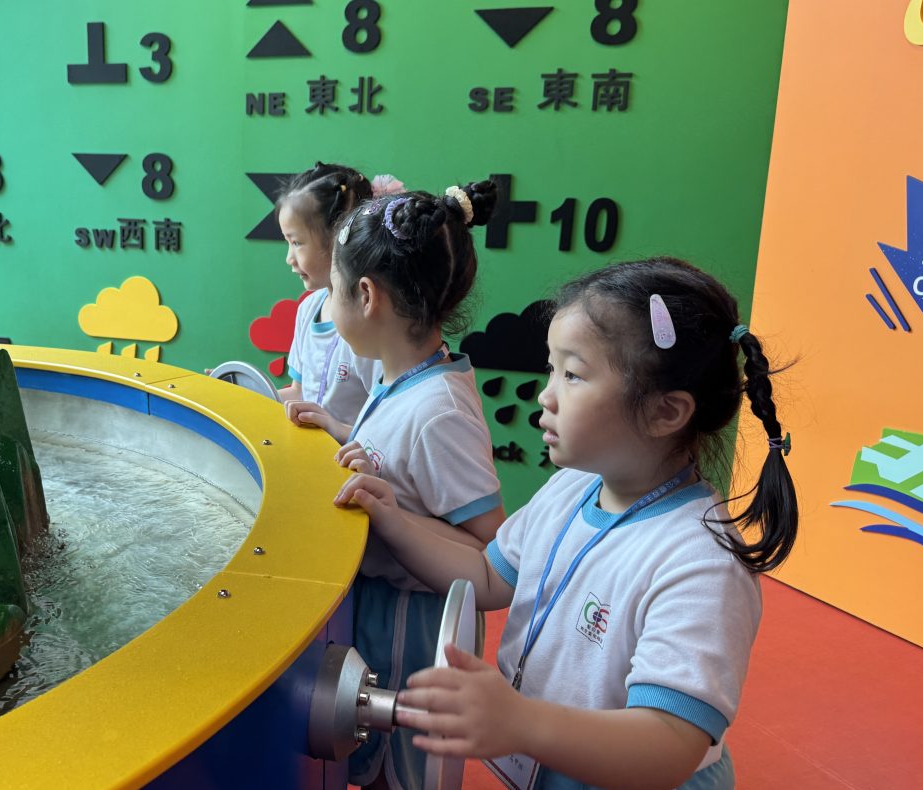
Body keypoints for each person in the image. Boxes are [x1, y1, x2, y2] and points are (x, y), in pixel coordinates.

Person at [337, 257, 798, 790]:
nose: (546, 394)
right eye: (551, 368)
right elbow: (487, 576)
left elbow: (671, 743)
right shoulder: (573, 487)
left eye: (573, 374)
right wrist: (394, 521)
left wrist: (522, 722)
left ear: (665, 413)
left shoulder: (700, 563)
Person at [327, 183, 506, 789]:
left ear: (366, 295)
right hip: (379, 615)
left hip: (413, 636)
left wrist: (395, 516)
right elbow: (399, 466)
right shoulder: (399, 377)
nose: (326, 305)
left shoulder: (439, 411)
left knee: (395, 771)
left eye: (332, 290)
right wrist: (338, 433)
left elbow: (489, 550)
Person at [276, 162, 382, 443]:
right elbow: (299, 392)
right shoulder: (308, 308)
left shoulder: (373, 326)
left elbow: (386, 435)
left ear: (338, 240)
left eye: (297, 243)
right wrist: (241, 390)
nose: (289, 258)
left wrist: (333, 427)